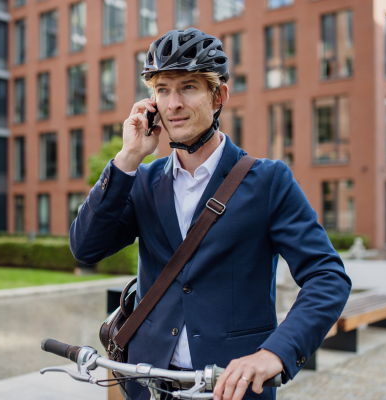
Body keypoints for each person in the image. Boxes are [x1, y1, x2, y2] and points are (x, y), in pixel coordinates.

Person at [70, 28, 351, 400]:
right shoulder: (142, 180)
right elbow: (86, 248)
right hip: (146, 382)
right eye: (163, 89)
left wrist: (274, 354)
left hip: (229, 388)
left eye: (188, 87)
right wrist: (128, 159)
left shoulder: (269, 180)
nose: (173, 104)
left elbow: (327, 276)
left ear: (218, 97)